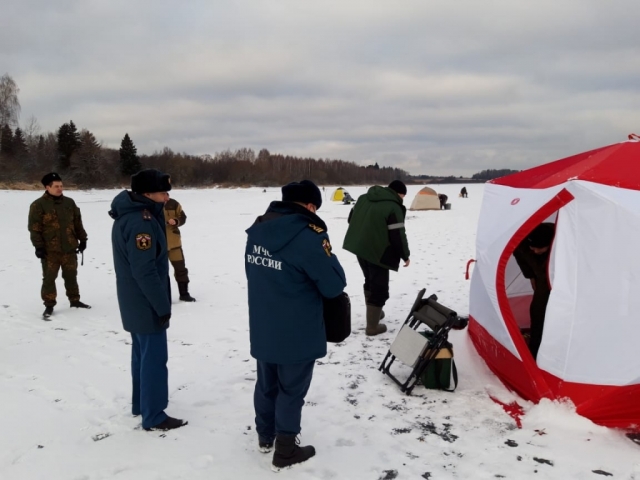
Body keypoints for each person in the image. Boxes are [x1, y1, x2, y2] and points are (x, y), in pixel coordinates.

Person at [245, 179, 346, 471]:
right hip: (298, 328)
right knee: (291, 389)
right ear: (310, 206)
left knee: (266, 385)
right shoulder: (308, 235)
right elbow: (334, 284)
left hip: (264, 322)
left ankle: (265, 436)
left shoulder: (258, 229)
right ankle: (285, 450)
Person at [109, 169, 188, 432]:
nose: (167, 198)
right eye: (163, 192)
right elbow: (144, 270)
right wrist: (162, 305)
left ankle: (141, 404)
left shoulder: (133, 216)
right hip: (145, 302)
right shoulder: (141, 222)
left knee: (141, 355)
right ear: (146, 195)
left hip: (135, 300)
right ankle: (153, 415)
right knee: (153, 358)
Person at [342, 180, 410, 336]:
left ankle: (375, 313)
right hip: (378, 252)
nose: (402, 199)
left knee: (370, 280)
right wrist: (405, 255)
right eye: (403, 196)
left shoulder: (363, 198)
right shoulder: (393, 206)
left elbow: (351, 219)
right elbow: (398, 236)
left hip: (359, 247)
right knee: (379, 288)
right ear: (398, 193)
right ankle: (372, 326)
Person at [28, 172, 90, 319]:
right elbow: (34, 228)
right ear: (47, 187)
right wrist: (39, 247)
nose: (60, 189)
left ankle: (74, 300)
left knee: (71, 276)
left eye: (61, 186)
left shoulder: (69, 203)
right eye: (56, 186)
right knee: (49, 278)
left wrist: (83, 239)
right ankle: (49, 305)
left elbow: (77, 223)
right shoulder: (38, 205)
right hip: (50, 251)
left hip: (69, 248)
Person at [513, 222, 555, 360]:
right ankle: (535, 351)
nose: (535, 251)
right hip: (542, 277)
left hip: (561, 279)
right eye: (533, 248)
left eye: (540, 249)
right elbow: (520, 255)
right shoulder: (523, 244)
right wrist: (530, 275)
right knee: (538, 311)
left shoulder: (562, 242)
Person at [164, 194, 196, 302]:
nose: (166, 198)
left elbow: (183, 217)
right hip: (158, 245)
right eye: (163, 194)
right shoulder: (151, 205)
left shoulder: (174, 203)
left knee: (181, 269)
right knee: (160, 272)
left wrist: (176, 221)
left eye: (167, 194)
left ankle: (184, 294)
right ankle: (163, 297)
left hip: (175, 244)